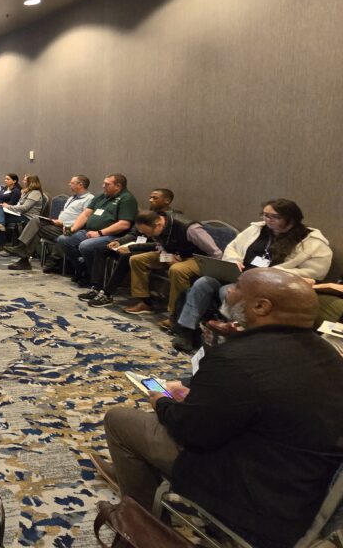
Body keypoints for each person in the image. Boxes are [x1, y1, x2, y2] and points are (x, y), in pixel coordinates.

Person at [95, 268, 343, 548]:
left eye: (237, 286)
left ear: (261, 307)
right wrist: (202, 399)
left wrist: (162, 402)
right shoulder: (329, 354)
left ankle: (142, 525)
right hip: (304, 486)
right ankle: (133, 473)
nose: (229, 291)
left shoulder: (237, 358)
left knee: (120, 420)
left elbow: (190, 432)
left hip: (252, 495)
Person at [172, 199, 332, 352]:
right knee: (203, 282)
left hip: (267, 284)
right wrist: (234, 261)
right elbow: (232, 247)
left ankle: (233, 336)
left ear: (291, 218)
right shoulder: (257, 229)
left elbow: (314, 272)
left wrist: (269, 274)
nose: (267, 220)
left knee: (226, 291)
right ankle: (187, 330)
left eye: (274, 217)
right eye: (265, 215)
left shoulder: (310, 241)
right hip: (238, 274)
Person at [84, 210, 221, 320]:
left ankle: (175, 314)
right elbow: (160, 245)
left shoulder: (190, 229)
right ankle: (145, 302)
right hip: (173, 254)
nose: (146, 235)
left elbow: (216, 253)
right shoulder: (157, 227)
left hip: (197, 258)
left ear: (158, 224)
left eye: (147, 233)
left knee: (177, 270)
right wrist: (167, 257)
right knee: (136, 260)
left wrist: (214, 274)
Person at [56, 173, 138, 286]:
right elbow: (86, 214)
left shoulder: (127, 199)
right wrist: (73, 228)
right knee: (64, 239)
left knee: (86, 245)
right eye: (104, 183)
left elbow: (124, 224)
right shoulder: (101, 195)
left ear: (118, 186)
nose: (103, 186)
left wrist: (99, 233)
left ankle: (91, 276)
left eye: (107, 184)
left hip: (112, 236)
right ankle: (81, 268)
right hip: (89, 231)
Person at [5, 175, 93, 271]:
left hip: (71, 230)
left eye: (72, 183)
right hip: (58, 225)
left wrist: (63, 223)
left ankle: (23, 256)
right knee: (36, 220)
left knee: (36, 230)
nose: (69, 184)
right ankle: (22, 250)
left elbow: (85, 218)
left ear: (80, 185)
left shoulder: (89, 199)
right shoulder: (73, 197)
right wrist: (56, 221)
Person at [0, 174, 43, 247]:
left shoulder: (35, 193)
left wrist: (9, 207)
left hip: (28, 217)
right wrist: (8, 207)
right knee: (1, 212)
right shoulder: (27, 191)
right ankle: (0, 235)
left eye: (25, 180)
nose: (23, 181)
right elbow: (19, 205)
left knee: (1, 219)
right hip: (20, 214)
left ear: (31, 182)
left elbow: (25, 208)